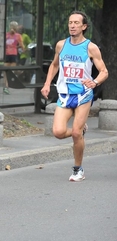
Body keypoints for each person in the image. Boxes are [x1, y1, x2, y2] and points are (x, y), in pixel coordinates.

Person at [41, 11, 108, 182]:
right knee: (58, 131)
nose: (72, 25)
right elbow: (54, 65)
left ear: (84, 26)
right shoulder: (61, 45)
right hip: (64, 93)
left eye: (76, 23)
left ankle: (78, 169)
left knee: (76, 134)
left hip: (83, 94)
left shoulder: (90, 47)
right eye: (70, 22)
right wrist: (47, 84)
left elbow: (104, 72)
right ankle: (80, 131)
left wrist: (95, 82)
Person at [3, 21, 24, 94]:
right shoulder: (12, 35)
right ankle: (7, 86)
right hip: (10, 54)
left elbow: (22, 46)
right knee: (8, 71)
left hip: (10, 54)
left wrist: (13, 47)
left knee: (8, 71)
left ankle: (7, 86)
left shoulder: (12, 35)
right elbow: (22, 46)